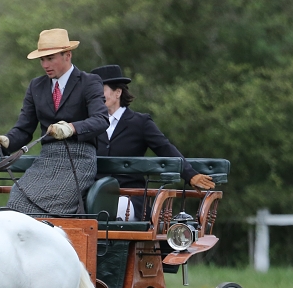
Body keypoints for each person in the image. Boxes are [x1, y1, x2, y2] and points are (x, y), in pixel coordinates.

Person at [0, 29, 109, 216]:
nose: (45, 65)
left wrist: (71, 128)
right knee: (16, 202)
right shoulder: (36, 85)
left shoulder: (89, 82)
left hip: (79, 159)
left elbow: (101, 120)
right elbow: (24, 129)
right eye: (42, 60)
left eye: (50, 58)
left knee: (46, 208)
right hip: (47, 159)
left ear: (67, 55)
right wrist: (6, 141)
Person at [91, 64, 215, 221]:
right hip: (95, 195)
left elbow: (165, 149)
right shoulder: (91, 124)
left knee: (108, 212)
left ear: (118, 92)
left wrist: (190, 175)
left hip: (129, 198)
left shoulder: (140, 122)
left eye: (100, 91)